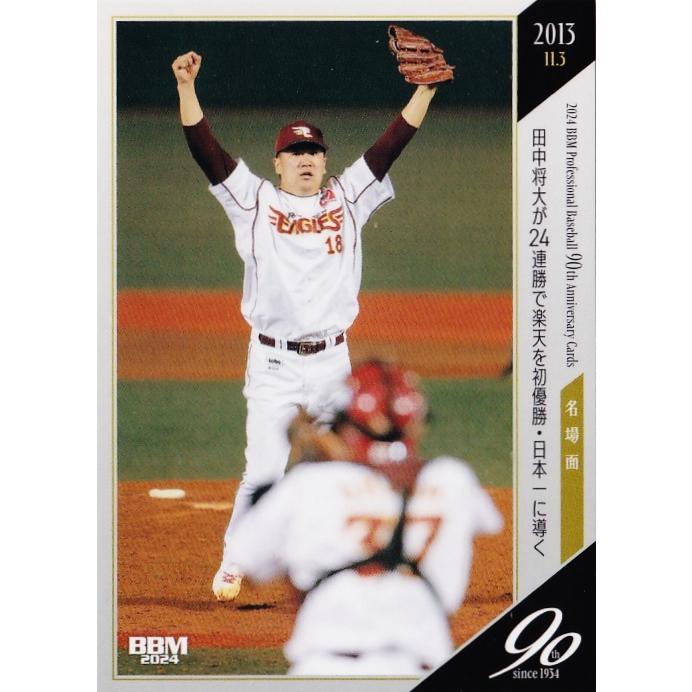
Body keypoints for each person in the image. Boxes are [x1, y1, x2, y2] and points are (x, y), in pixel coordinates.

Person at [171, 50, 440, 601]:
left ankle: (351, 561)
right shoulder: (252, 201)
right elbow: (208, 153)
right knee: (263, 470)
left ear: (323, 160)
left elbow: (389, 147)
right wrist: (186, 88)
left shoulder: (348, 197)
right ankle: (235, 561)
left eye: (313, 151)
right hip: (272, 362)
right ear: (277, 163)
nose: (306, 160)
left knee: (347, 468)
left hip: (332, 365)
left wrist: (426, 92)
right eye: (294, 153)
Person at [224, 359, 503, 675]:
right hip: (418, 669)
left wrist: (314, 466)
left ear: (345, 424)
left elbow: (250, 563)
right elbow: (485, 520)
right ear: (416, 424)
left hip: (323, 670)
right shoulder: (453, 479)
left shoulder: (310, 483)